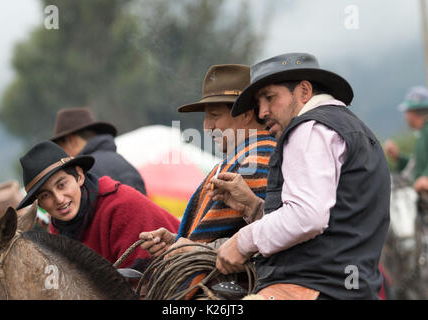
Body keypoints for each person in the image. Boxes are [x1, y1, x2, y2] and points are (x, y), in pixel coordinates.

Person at [210, 53, 391, 300]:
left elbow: (308, 217)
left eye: (270, 98)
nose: (262, 112)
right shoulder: (358, 132)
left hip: (309, 289)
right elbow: (335, 221)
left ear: (304, 91)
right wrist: (253, 207)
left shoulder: (307, 128)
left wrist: (241, 241)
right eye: (259, 102)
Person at [139, 64, 276, 259]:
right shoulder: (247, 157)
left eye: (214, 115)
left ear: (246, 114)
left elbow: (257, 240)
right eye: (206, 116)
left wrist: (193, 250)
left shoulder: (254, 161)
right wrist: (176, 240)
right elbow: (226, 233)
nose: (207, 126)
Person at [16, 140, 180, 271]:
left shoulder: (122, 205)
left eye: (61, 185)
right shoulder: (58, 229)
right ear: (40, 203)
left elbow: (142, 283)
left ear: (79, 176)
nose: (58, 199)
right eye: (45, 195)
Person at [51, 107, 146, 195]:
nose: (62, 155)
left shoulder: (86, 172)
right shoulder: (123, 162)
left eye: (61, 147)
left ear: (72, 141)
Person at [384, 86, 428, 193]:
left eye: (407, 112)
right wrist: (398, 157)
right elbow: (417, 167)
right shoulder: (422, 133)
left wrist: (426, 178)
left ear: (413, 112)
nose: (405, 117)